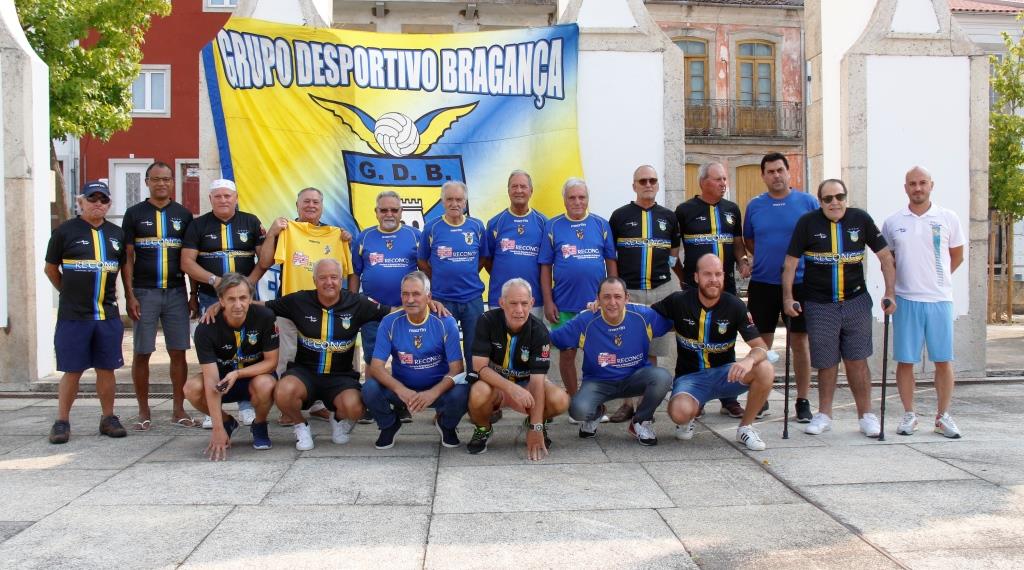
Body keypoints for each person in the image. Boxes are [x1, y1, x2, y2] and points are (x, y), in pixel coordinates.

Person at [783, 178, 897, 437]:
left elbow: (885, 257)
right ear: (820, 201)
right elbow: (790, 264)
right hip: (820, 304)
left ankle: (866, 416)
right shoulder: (807, 223)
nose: (835, 202)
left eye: (839, 197)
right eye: (828, 198)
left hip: (856, 301)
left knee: (857, 360)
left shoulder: (861, 219)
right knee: (826, 361)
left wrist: (890, 292)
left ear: (846, 197)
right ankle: (824, 415)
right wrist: (788, 298)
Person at [264, 258, 392, 451]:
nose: (329, 282)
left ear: (341, 280)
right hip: (304, 373)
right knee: (282, 391)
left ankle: (338, 419)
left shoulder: (357, 302)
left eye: (334, 277)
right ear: (314, 280)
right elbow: (262, 306)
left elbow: (392, 312)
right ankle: (301, 425)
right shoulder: (299, 300)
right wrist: (225, 305)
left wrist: (425, 305)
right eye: (323, 278)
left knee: (356, 409)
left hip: (340, 376)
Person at [881, 166, 966, 438]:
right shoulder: (893, 222)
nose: (917, 188)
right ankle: (909, 414)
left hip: (940, 300)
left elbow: (957, 255)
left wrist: (937, 280)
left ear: (931, 185)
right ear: (905, 187)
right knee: (906, 361)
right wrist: (891, 291)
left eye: (922, 183)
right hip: (906, 300)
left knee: (943, 360)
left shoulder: (948, 218)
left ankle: (943, 417)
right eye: (912, 183)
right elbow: (888, 262)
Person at [658, 254, 774, 451]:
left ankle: (745, 428)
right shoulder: (679, 301)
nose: (713, 279)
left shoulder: (735, 305)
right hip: (690, 378)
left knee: (765, 368)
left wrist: (748, 360)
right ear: (696, 277)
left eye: (718, 274)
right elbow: (644, 316)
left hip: (725, 375)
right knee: (679, 413)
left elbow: (761, 347)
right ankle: (688, 417)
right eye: (707, 274)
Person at [258, 187, 351, 425]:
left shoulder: (335, 235)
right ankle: (288, 408)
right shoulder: (287, 230)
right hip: (290, 306)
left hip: (322, 308)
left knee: (319, 356)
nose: (311, 205)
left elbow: (346, 270)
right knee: (287, 357)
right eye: (306, 201)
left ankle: (317, 404)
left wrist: (346, 241)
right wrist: (272, 233)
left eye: (315, 202)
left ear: (322, 206)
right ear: (297, 205)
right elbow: (266, 262)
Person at [45, 181, 129, 444]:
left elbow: (123, 269)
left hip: (107, 315)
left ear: (109, 204)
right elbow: (50, 269)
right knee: (72, 370)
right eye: (92, 199)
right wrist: (67, 292)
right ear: (80, 202)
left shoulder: (116, 233)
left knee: (107, 368)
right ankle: (62, 421)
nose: (98, 204)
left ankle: (108, 418)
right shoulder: (64, 232)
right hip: (74, 316)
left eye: (103, 200)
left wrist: (130, 298)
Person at [182, 178, 267, 427]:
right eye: (217, 196)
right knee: (215, 352)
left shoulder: (251, 221)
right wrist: (215, 281)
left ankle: (246, 404)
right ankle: (213, 409)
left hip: (245, 299)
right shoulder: (198, 225)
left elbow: (264, 260)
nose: (223, 200)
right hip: (211, 297)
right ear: (210, 199)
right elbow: (187, 262)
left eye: (227, 196)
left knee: (248, 348)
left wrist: (246, 287)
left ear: (236, 198)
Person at [550, 277, 673, 446]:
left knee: (663, 377)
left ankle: (640, 421)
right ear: (598, 299)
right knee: (577, 410)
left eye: (618, 296)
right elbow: (552, 338)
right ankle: (597, 412)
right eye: (606, 297)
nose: (612, 302)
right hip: (598, 383)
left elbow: (674, 323)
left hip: (634, 379)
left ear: (627, 298)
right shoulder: (586, 319)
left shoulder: (642, 315)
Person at [742, 153, 818, 423]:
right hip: (763, 282)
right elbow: (750, 241)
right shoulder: (755, 206)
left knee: (800, 342)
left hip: (800, 283)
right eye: (770, 171)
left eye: (780, 170)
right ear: (763, 176)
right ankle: (761, 396)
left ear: (789, 172)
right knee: (761, 344)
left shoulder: (807, 202)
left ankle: (802, 400)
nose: (776, 175)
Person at [121, 162, 197, 430]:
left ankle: (179, 409)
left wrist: (193, 294)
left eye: (166, 179)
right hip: (144, 292)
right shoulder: (134, 214)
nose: (161, 184)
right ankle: (143, 411)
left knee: (179, 352)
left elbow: (190, 258)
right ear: (147, 182)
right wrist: (129, 295)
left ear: (173, 182)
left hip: (176, 292)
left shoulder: (183, 215)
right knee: (142, 352)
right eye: (156, 179)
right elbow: (127, 257)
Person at [675, 162, 750, 418]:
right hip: (695, 290)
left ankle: (729, 398)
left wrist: (742, 261)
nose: (723, 184)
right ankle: (698, 396)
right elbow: (673, 252)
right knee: (695, 339)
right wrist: (684, 278)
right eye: (718, 179)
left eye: (725, 179)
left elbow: (738, 243)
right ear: (703, 182)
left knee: (726, 340)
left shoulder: (732, 209)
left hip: (725, 287)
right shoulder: (684, 211)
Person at [607, 164, 681, 423]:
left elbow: (674, 254)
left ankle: (646, 405)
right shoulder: (619, 216)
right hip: (630, 292)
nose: (648, 184)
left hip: (659, 292)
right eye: (642, 181)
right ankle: (628, 403)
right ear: (634, 185)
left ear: (658, 184)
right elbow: (611, 255)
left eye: (652, 180)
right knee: (627, 349)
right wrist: (615, 287)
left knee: (652, 351)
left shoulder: (669, 217)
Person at [364, 272, 469, 450]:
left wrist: (432, 393)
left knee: (464, 391)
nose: (410, 299)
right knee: (369, 388)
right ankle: (389, 425)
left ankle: (447, 425)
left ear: (428, 296)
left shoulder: (445, 321)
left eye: (416, 294)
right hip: (403, 391)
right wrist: (401, 390)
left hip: (438, 391)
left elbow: (457, 369)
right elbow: (376, 367)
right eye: (405, 294)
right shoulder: (389, 322)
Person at [465, 278, 570, 458]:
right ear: (502, 303)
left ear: (532, 303)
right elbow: (479, 367)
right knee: (477, 393)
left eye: (524, 303)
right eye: (513, 303)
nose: (519, 310)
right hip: (497, 387)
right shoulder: (487, 320)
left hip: (527, 387)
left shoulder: (540, 331)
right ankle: (483, 429)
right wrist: (511, 388)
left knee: (560, 399)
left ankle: (534, 423)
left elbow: (537, 382)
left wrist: (536, 426)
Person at [185, 273, 279, 459]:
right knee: (191, 388)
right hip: (223, 381)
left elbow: (271, 362)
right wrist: (217, 428)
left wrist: (237, 373)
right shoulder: (206, 328)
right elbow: (211, 380)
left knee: (266, 384)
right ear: (221, 300)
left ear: (251, 298)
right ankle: (227, 422)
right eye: (231, 299)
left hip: (254, 378)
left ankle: (259, 424)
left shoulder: (265, 317)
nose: (238, 305)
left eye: (243, 298)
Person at [539, 178, 617, 397]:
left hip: (596, 305)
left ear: (588, 199)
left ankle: (594, 398)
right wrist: (548, 301)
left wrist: (613, 298)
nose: (577, 202)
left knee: (600, 354)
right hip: (563, 305)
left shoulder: (601, 225)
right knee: (567, 354)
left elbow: (611, 263)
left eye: (582, 197)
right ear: (564, 200)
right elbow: (545, 267)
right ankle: (574, 399)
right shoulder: (552, 226)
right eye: (572, 197)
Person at [350, 190, 420, 424]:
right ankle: (373, 404)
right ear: (376, 212)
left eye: (394, 210)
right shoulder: (364, 237)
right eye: (384, 210)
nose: (389, 214)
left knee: (405, 358)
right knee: (372, 359)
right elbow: (355, 273)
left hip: (405, 310)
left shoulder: (415, 236)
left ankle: (402, 405)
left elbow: (425, 271)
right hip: (372, 310)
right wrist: (353, 303)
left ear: (401, 212)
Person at [417, 181, 486, 365]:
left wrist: (468, 273)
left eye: (459, 199)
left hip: (472, 299)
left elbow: (483, 257)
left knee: (475, 349)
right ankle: (447, 381)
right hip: (442, 300)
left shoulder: (477, 226)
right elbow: (421, 261)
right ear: (442, 201)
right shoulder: (431, 228)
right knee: (443, 348)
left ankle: (473, 379)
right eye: (449, 199)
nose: (454, 204)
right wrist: (436, 276)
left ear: (465, 202)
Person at [482, 170, 548, 315]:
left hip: (534, 300)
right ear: (508, 190)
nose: (519, 190)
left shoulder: (543, 223)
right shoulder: (495, 223)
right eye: (514, 186)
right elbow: (487, 260)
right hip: (500, 300)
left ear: (531, 191)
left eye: (523, 186)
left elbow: (547, 264)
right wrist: (504, 273)